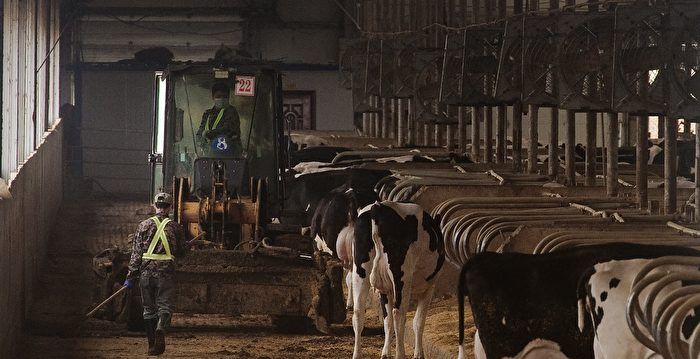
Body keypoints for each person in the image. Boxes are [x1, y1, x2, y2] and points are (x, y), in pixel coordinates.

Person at [124, 192, 187, 355]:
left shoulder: (143, 225)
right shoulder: (175, 227)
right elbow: (181, 251)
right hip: (166, 273)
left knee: (148, 309)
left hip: (146, 273)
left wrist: (130, 277)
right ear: (170, 207)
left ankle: (152, 346)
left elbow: (136, 254)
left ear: (154, 205)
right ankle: (161, 328)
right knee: (164, 306)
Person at [196, 82, 242, 156]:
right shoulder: (207, 113)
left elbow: (227, 129)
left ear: (228, 97)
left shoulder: (232, 111)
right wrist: (200, 142)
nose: (221, 99)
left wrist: (208, 134)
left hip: (230, 156)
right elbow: (200, 133)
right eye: (218, 96)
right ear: (213, 97)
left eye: (224, 96)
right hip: (209, 156)